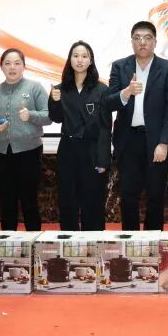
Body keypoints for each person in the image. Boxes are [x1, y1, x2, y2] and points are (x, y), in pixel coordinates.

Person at [104, 21, 168, 231]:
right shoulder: (120, 66)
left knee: (155, 196)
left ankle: (153, 241)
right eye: (137, 38)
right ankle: (131, 242)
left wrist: (164, 142)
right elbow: (108, 103)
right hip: (128, 140)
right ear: (131, 42)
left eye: (147, 38)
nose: (142, 42)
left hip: (156, 141)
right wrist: (126, 93)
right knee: (128, 195)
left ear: (155, 42)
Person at [0, 48, 51, 231]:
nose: (12, 67)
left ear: (24, 66)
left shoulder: (35, 88)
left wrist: (31, 115)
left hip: (29, 152)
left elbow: (49, 116)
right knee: (7, 202)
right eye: (7, 63)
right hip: (1, 153)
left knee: (29, 201)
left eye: (17, 63)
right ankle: (7, 243)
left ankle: (34, 241)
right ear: (1, 67)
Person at [48, 41, 112, 231]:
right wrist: (54, 101)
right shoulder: (60, 88)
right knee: (67, 200)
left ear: (91, 61)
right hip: (68, 149)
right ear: (70, 60)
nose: (80, 60)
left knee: (93, 201)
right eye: (75, 56)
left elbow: (105, 127)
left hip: (92, 151)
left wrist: (103, 160)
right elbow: (56, 118)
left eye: (84, 56)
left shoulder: (101, 89)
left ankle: (93, 242)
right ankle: (69, 242)